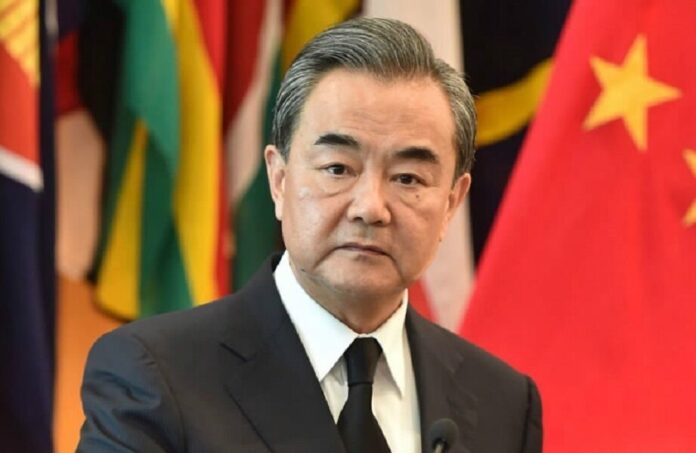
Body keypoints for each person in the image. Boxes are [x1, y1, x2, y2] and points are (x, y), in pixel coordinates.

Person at [78, 18, 542, 453]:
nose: (370, 208)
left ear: (452, 203)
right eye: (338, 169)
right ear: (279, 180)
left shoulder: (503, 403)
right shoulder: (156, 375)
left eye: (407, 178)